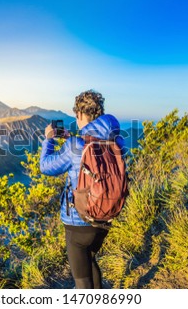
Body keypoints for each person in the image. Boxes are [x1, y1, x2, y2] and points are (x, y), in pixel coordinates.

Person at [40, 90, 123, 289]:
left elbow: (45, 167)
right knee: (90, 260)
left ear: (79, 114)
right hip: (107, 215)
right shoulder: (117, 141)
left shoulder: (75, 145)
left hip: (79, 221)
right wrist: (74, 138)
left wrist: (49, 139)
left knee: (81, 280)